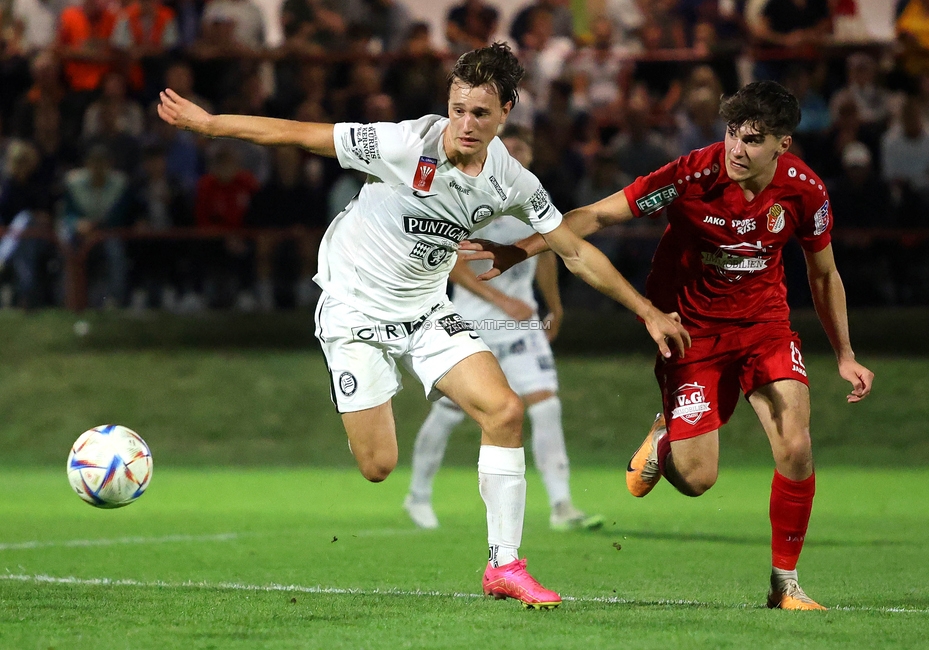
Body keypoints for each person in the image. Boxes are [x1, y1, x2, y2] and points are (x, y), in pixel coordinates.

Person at [157, 42, 690, 609]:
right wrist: (211, 124)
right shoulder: (403, 143)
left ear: (506, 112)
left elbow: (575, 252)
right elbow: (299, 133)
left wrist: (648, 311)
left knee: (505, 411)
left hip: (426, 310)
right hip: (353, 307)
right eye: (458, 108)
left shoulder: (512, 181)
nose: (464, 123)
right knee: (378, 466)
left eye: (480, 113)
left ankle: (504, 566)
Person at [461, 81, 875, 611]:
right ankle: (664, 439)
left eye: (752, 139)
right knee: (699, 479)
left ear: (782, 144)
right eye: (732, 134)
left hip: (765, 326)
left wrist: (844, 353)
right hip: (691, 330)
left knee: (795, 444)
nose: (737, 149)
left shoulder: (805, 191)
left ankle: (784, 585)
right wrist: (520, 251)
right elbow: (597, 215)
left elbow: (824, 274)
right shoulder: (692, 174)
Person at [404, 125, 604, 532]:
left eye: (522, 147)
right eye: (508, 146)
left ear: (529, 154)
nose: (515, 152)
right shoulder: (467, 191)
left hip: (522, 325)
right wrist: (501, 301)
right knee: (448, 414)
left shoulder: (530, 195)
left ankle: (562, 505)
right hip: (472, 323)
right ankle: (417, 496)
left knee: (546, 406)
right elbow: (452, 262)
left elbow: (547, 251)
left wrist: (554, 305)